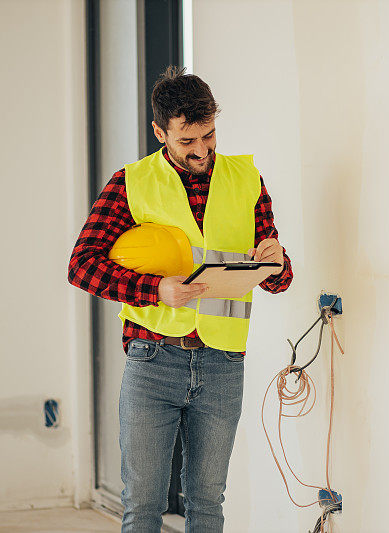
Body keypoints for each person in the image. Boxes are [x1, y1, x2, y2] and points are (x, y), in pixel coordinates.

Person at [67, 65, 293, 532]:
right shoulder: (131, 182)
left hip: (223, 363)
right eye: (187, 141)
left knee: (207, 504)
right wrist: (156, 290)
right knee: (142, 505)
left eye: (209, 136)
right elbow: (81, 266)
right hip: (153, 358)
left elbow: (278, 281)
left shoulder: (245, 178)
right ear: (159, 131)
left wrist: (277, 259)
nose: (202, 150)